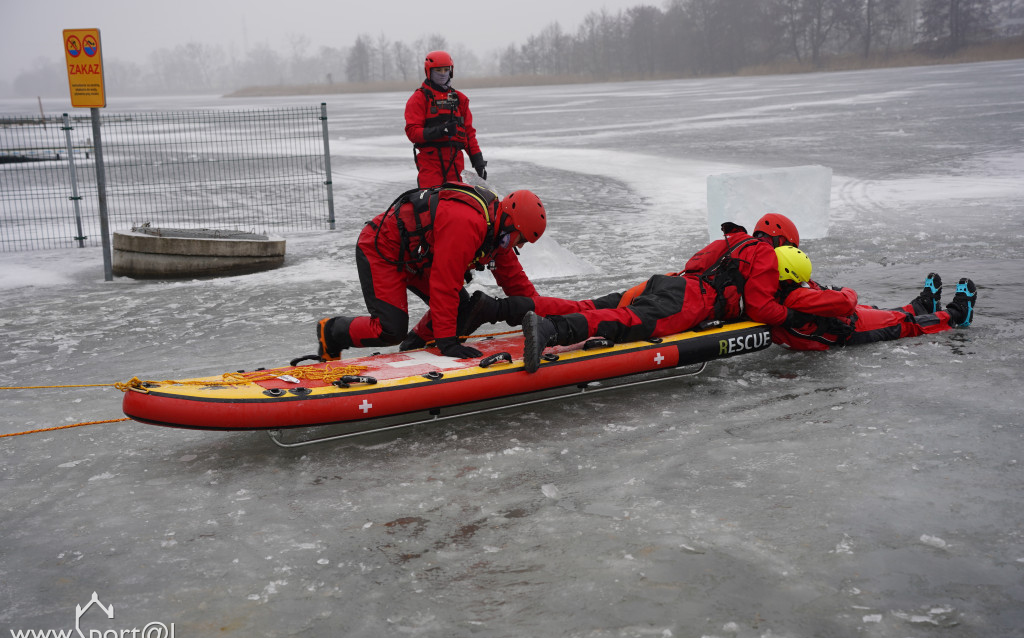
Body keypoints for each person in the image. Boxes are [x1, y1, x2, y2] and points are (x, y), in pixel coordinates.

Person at [515, 214, 811, 372]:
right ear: (781, 242)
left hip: (671, 283)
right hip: (690, 301)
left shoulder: (732, 241)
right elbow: (760, 308)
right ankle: (551, 329)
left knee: (600, 305)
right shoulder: (764, 253)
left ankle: (508, 309)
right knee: (626, 321)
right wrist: (792, 316)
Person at [315, 183, 547, 360]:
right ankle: (331, 332)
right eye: (521, 239)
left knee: (460, 307)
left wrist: (545, 320)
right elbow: (444, 285)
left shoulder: (497, 232)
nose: (520, 245)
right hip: (383, 249)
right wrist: (447, 343)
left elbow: (517, 283)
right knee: (390, 329)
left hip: (416, 258)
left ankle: (414, 346)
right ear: (511, 223)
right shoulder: (467, 224)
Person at [769, 245, 978, 350]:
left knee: (883, 313)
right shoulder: (798, 297)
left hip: (842, 321)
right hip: (851, 329)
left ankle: (922, 306)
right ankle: (957, 314)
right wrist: (841, 289)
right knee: (903, 324)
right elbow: (847, 301)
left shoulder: (779, 294)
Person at [405, 51, 487, 188]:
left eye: (446, 69)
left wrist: (478, 160)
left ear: (451, 71)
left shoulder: (460, 99)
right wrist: (441, 131)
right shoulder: (419, 98)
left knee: (455, 198)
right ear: (429, 71)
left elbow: (468, 134)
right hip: (430, 163)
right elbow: (412, 132)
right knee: (432, 198)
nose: (443, 74)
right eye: (438, 70)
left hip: (455, 162)